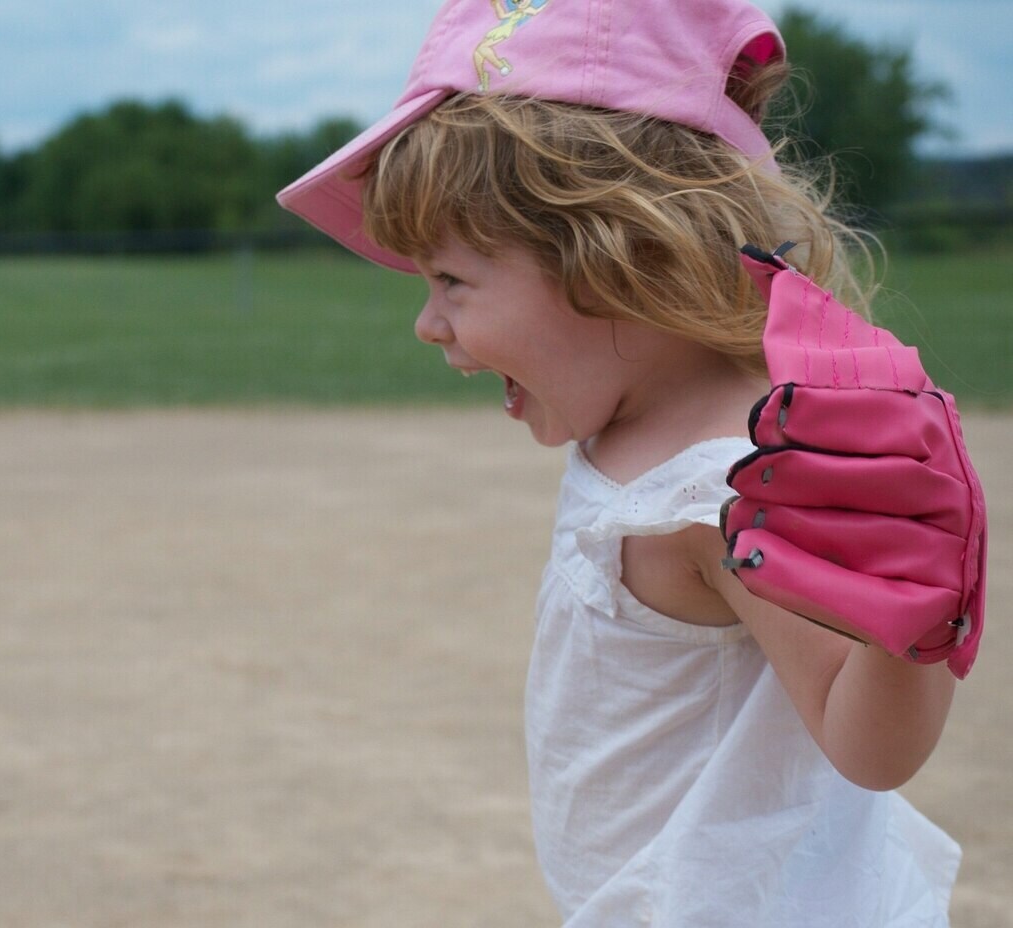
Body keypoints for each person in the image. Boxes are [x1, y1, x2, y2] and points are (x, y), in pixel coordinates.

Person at [277, 0, 962, 924]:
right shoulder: (626, 427)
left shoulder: (732, 482)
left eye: (452, 280)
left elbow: (869, 749)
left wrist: (911, 621)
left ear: (613, 253)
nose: (428, 323)